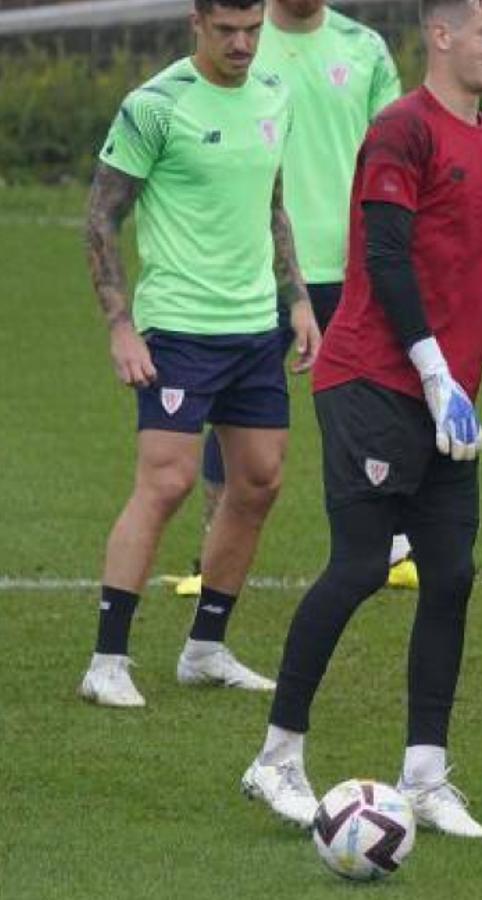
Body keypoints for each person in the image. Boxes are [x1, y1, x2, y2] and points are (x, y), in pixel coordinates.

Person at [241, 0, 482, 835]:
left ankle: (426, 775)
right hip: (371, 378)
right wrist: (436, 370)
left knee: (452, 573)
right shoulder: (401, 130)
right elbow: (384, 256)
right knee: (361, 565)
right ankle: (275, 759)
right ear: (440, 35)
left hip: (446, 399)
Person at [78, 0, 321, 708]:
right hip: (180, 328)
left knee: (259, 481)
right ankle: (107, 660)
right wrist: (120, 325)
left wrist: (298, 300)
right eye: (228, 32)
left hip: (254, 330)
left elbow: (273, 205)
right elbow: (100, 217)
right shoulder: (154, 106)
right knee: (167, 482)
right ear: (197, 24)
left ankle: (205, 649)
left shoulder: (276, 93)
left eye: (252, 30)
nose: (243, 44)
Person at [174, 0, 413, 598]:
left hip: (352, 259)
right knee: (232, 410)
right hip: (258, 265)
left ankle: (393, 543)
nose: (239, 39)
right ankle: (210, 555)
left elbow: (399, 151)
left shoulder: (365, 48)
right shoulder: (239, 43)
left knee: (375, 401)